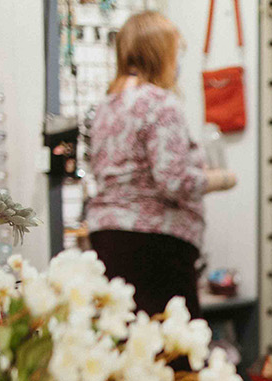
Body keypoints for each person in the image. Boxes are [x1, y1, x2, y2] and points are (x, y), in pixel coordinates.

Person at [86, 11, 237, 317]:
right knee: (172, 349)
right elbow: (173, 181)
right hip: (157, 246)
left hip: (108, 237)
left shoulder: (104, 107)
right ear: (161, 54)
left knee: (128, 343)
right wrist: (221, 179)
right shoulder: (161, 103)